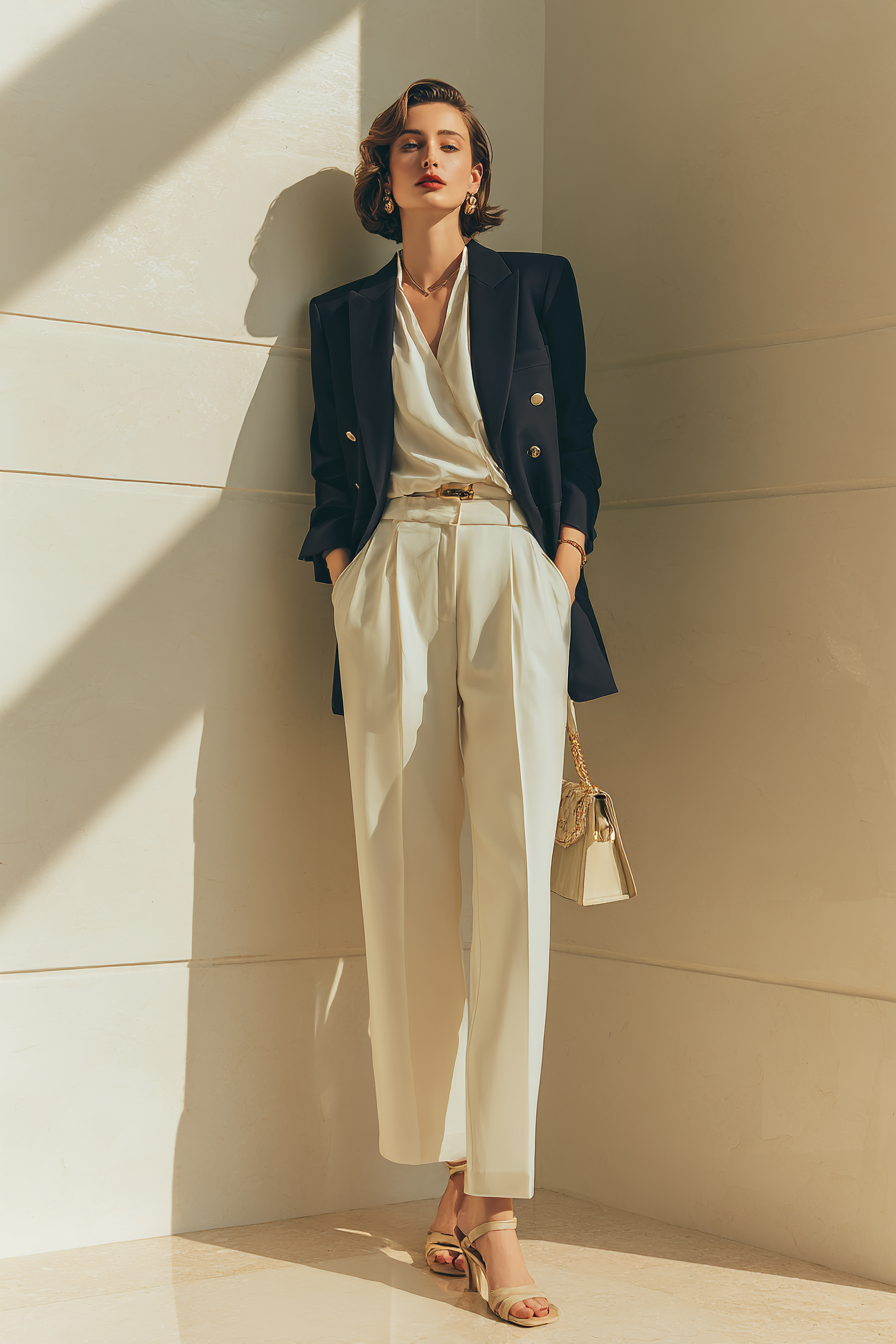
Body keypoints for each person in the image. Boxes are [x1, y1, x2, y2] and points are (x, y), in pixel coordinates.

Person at [299, 78, 616, 1327]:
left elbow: (577, 437)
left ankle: (499, 1216)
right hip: (388, 577)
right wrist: (342, 575)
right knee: (404, 883)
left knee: (509, 896)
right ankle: (449, 1179)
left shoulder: (537, 286)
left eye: (452, 146)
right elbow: (328, 464)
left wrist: (562, 565)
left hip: (509, 568)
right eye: (409, 146)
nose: (431, 161)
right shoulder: (340, 316)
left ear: (476, 178)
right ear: (381, 178)